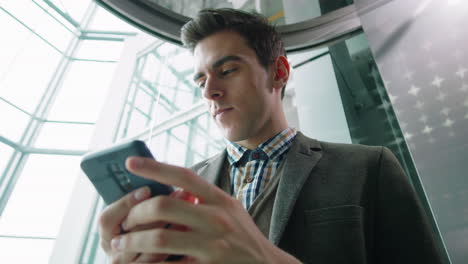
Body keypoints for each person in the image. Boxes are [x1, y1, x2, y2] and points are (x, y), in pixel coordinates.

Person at [98, 8, 444, 264]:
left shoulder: (368, 167)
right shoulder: (182, 195)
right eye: (201, 81)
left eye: (227, 70)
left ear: (278, 72)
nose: (210, 92)